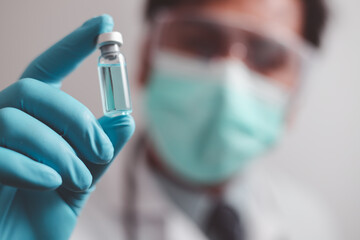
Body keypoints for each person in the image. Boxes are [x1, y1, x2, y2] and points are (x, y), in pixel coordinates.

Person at [0, 0, 335, 240]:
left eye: (267, 56)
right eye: (200, 42)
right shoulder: (49, 207)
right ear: (147, 57)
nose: (228, 81)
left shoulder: (313, 222)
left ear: (296, 95)